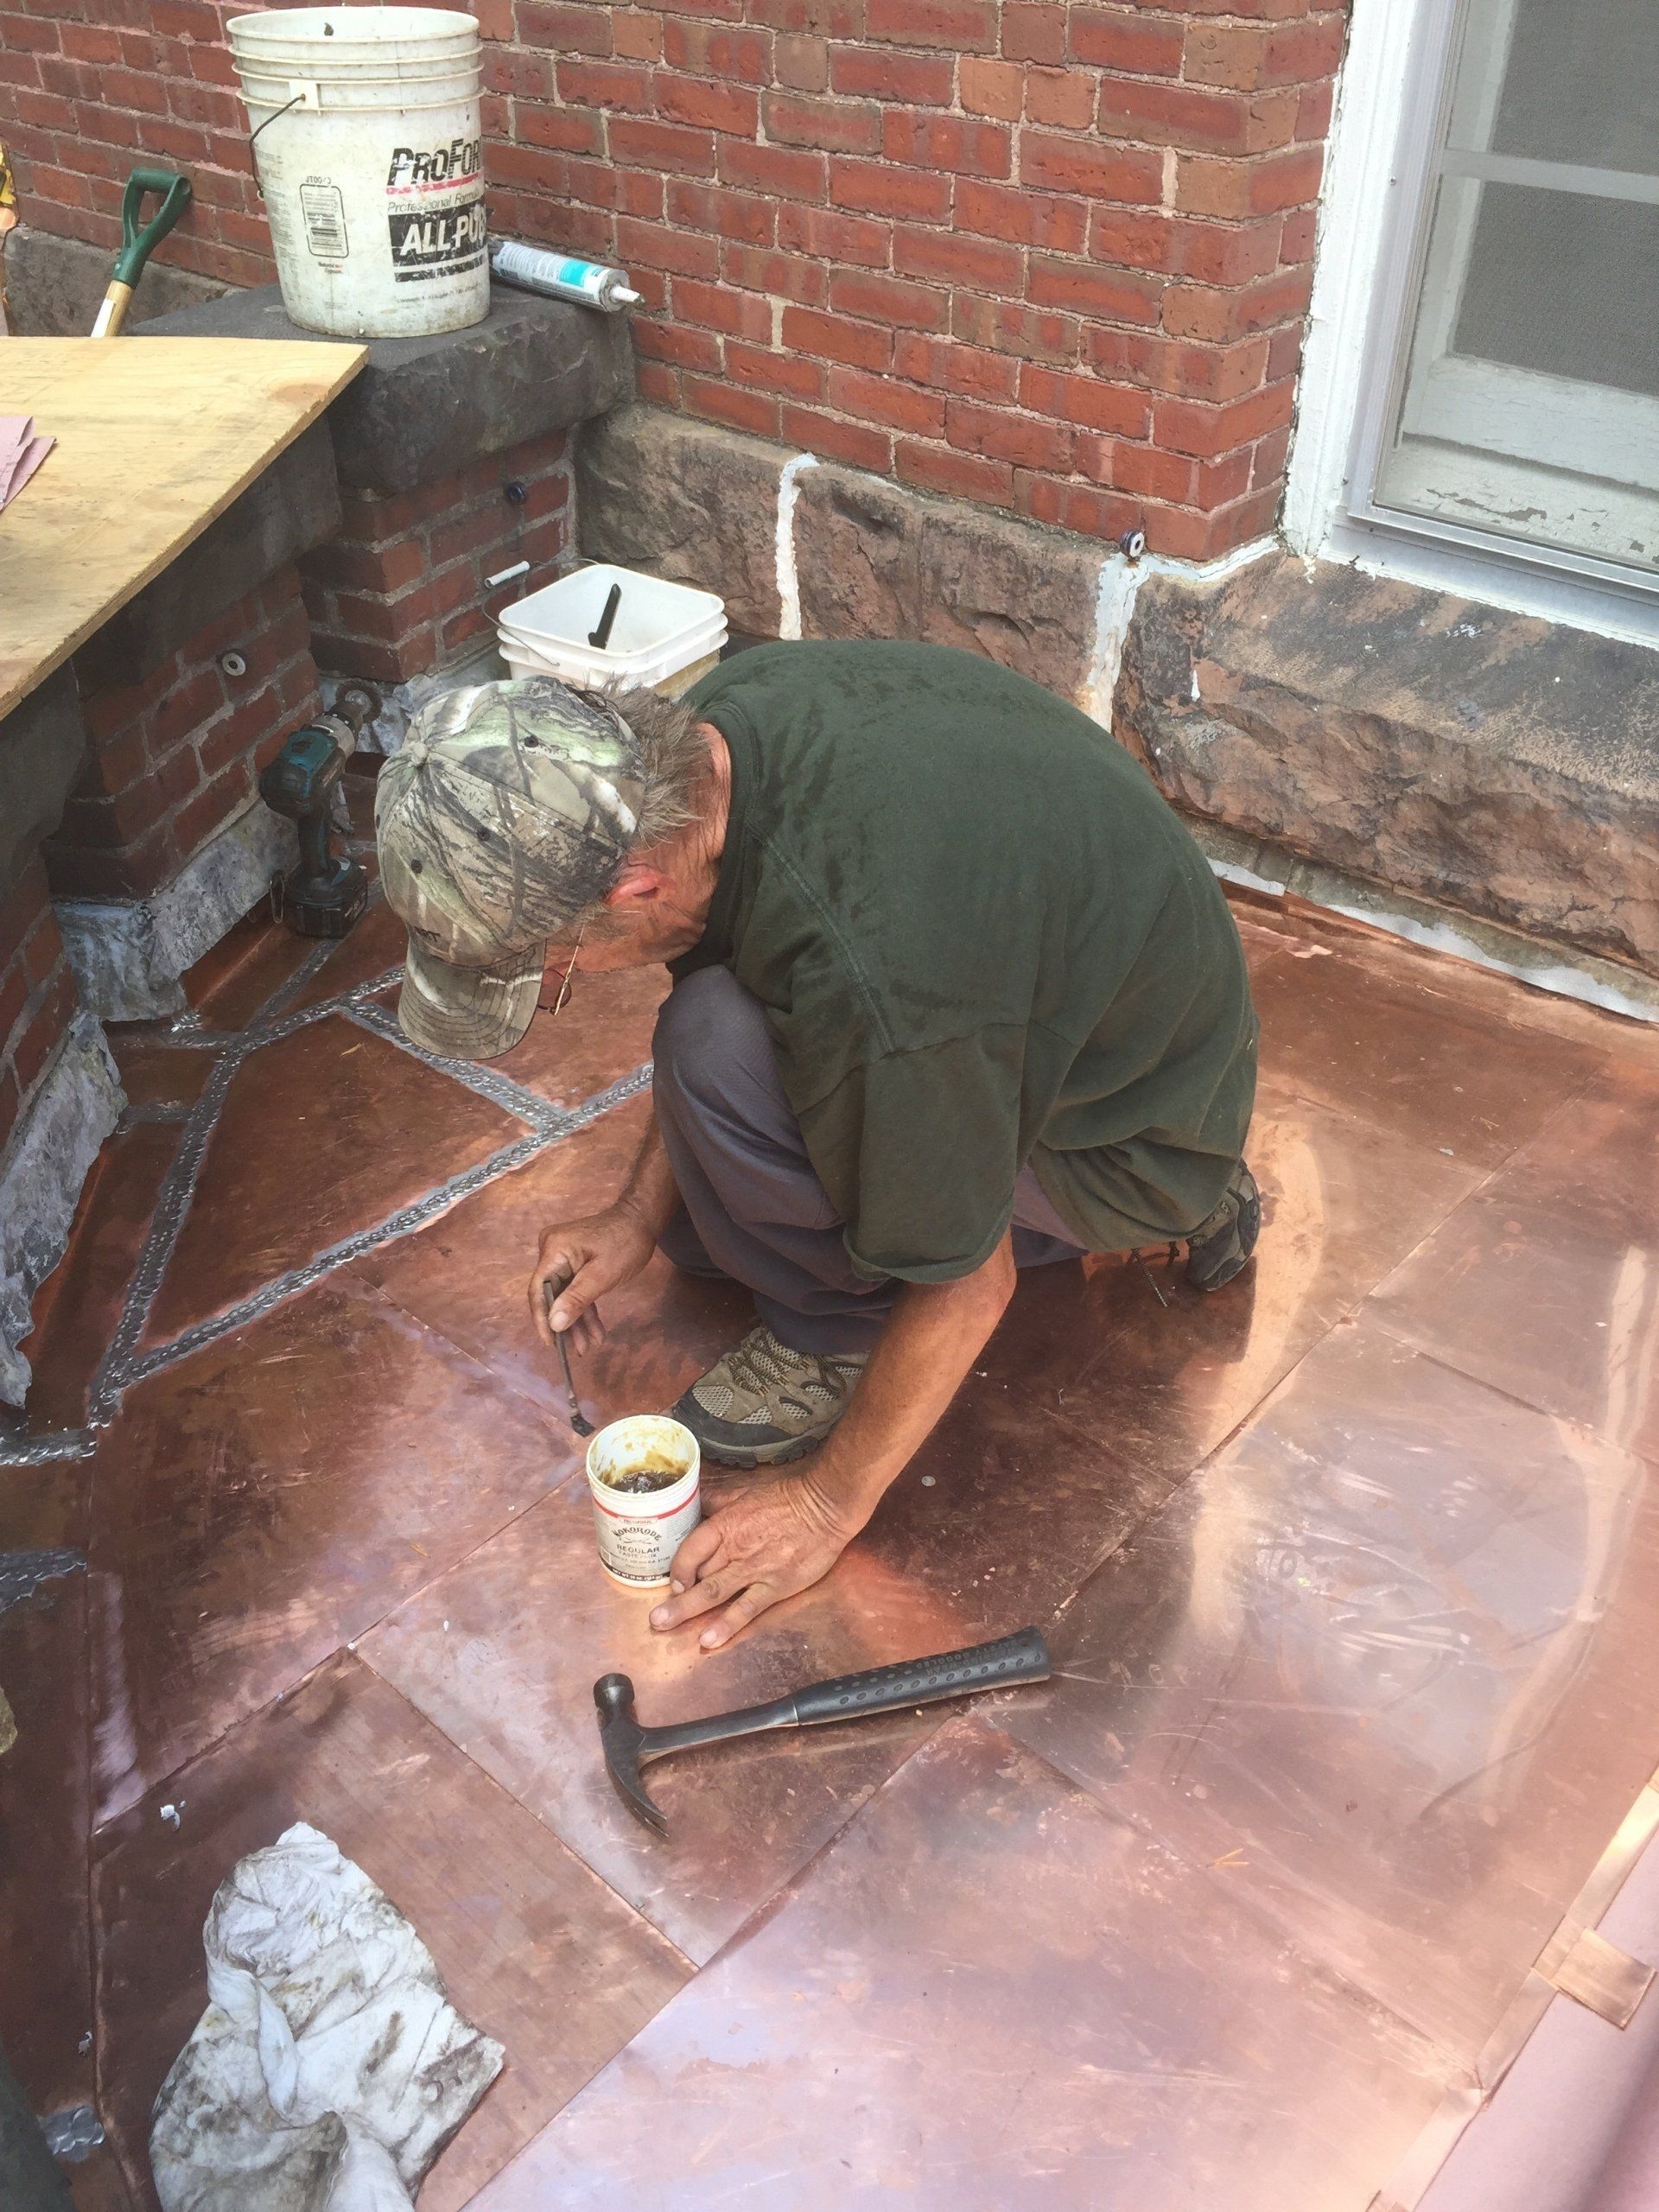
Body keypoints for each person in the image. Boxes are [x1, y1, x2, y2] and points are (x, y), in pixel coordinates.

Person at [375, 642, 1259, 1649]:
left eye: (559, 969)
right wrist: (633, 1216)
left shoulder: (879, 969)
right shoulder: (689, 754)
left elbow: (969, 1282)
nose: (573, 978)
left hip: (1126, 1125)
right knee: (710, 1212)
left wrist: (826, 1507)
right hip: (1076, 1016)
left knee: (712, 1054)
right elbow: (760, 965)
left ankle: (838, 1331)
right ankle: (891, 1243)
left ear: (633, 887)